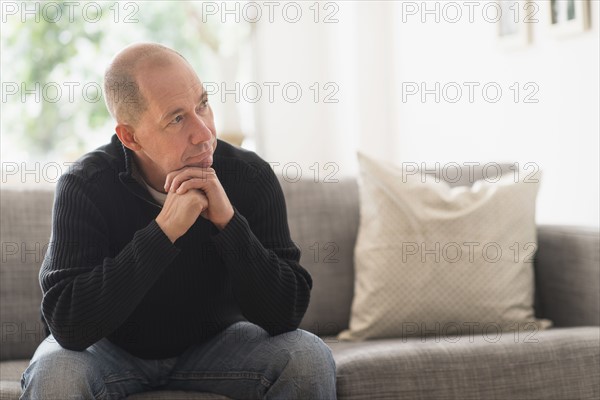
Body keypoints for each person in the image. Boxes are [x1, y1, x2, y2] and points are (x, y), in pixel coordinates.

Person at [20, 42, 337, 400]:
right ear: (131, 136)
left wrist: (229, 225)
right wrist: (163, 232)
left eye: (202, 103)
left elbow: (285, 314)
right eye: (176, 118)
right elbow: (68, 325)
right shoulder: (85, 185)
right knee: (55, 375)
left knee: (307, 357)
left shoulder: (249, 176)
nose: (204, 132)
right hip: (107, 351)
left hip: (216, 346)